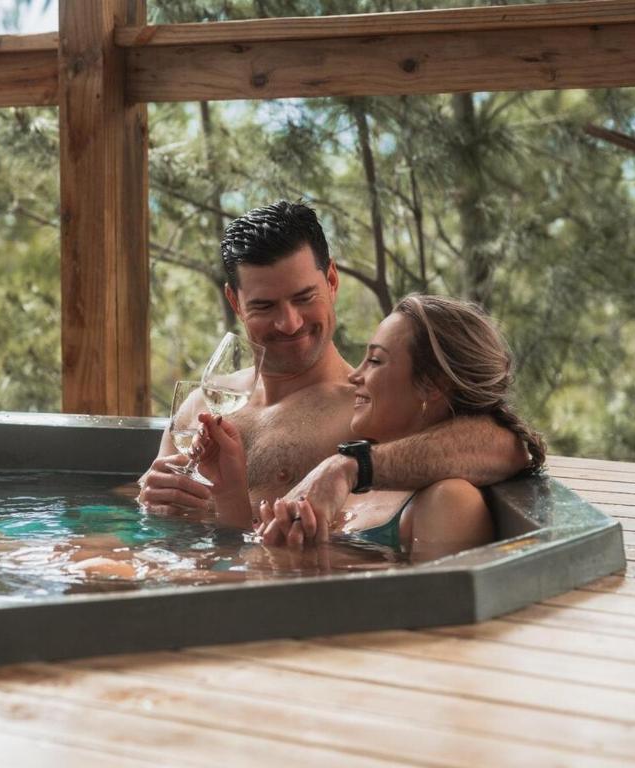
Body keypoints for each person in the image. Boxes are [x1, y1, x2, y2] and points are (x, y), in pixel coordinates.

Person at [138, 200, 530, 528]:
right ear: (235, 302)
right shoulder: (201, 408)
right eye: (264, 305)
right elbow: (155, 527)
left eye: (304, 297)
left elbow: (505, 446)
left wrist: (350, 465)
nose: (289, 322)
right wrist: (150, 502)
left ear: (332, 281)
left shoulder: (371, 411)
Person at [197, 294, 547, 560]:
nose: (355, 374)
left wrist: (306, 562)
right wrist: (229, 491)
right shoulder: (352, 481)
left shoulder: (447, 502)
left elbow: (435, 623)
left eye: (376, 360)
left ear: (432, 386)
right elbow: (250, 571)